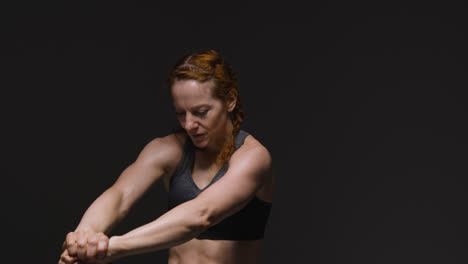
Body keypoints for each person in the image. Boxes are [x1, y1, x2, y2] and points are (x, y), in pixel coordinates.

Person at [58, 49, 275, 264]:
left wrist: (110, 249)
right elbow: (120, 195)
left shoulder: (253, 158)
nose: (189, 125)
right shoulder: (168, 149)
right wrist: (83, 237)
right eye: (182, 113)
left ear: (230, 100)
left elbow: (200, 215)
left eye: (201, 112)